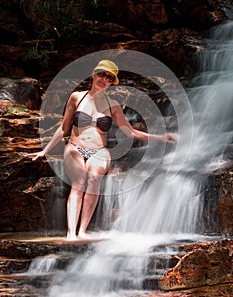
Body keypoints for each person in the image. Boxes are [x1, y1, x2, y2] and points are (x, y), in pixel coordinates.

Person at [27, 60, 177, 240]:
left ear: (111, 83)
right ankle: (71, 233)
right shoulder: (77, 97)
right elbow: (64, 128)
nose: (104, 79)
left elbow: (129, 132)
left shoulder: (113, 105)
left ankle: (82, 231)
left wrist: (160, 137)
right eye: (102, 74)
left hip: (99, 150)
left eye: (109, 77)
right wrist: (45, 151)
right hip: (74, 147)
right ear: (93, 73)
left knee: (94, 178)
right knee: (80, 182)